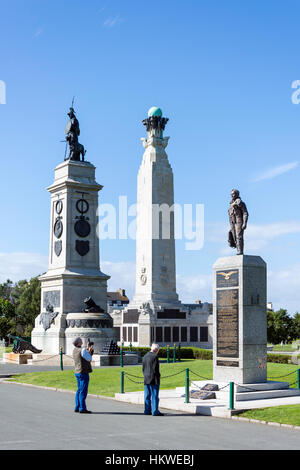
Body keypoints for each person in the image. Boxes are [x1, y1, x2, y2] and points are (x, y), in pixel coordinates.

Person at [72, 337, 93, 414]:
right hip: (83, 372)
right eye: (80, 340)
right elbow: (89, 358)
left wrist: (87, 349)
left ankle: (77, 406)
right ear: (78, 343)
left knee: (79, 390)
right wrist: (89, 351)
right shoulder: (82, 350)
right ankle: (82, 408)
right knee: (83, 391)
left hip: (77, 371)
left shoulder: (75, 350)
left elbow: (82, 356)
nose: (81, 340)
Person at [142, 343, 164, 416]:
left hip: (146, 378)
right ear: (157, 350)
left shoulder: (145, 356)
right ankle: (155, 411)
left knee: (147, 395)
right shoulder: (155, 357)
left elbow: (143, 368)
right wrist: (158, 377)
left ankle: (147, 410)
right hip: (154, 379)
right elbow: (155, 369)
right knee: (154, 396)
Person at [228, 189, 248, 255]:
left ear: (237, 194)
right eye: (231, 194)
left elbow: (245, 213)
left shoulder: (240, 203)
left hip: (239, 221)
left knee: (239, 236)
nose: (232, 195)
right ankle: (238, 250)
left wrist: (244, 223)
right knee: (234, 237)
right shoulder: (230, 204)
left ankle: (240, 251)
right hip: (232, 222)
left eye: (233, 194)